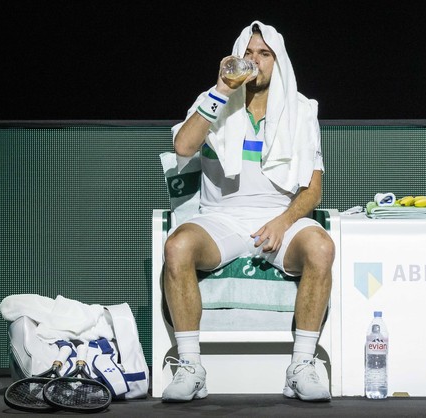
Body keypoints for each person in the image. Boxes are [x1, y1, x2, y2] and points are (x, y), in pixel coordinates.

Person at [162, 20, 335, 402]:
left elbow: (313, 190)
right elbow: (183, 148)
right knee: (177, 247)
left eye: (264, 54)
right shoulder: (213, 102)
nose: (255, 61)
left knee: (322, 247)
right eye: (248, 53)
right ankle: (192, 368)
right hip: (221, 218)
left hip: (278, 218)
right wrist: (222, 89)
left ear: (278, 61)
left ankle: (301, 367)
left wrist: (284, 221)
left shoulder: (301, 111)